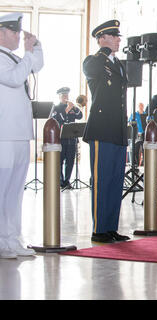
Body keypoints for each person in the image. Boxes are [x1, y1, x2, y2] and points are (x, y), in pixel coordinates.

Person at [0, 12, 43, 258]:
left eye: (19, 31)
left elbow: (36, 65)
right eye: (14, 32)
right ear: (1, 33)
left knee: (15, 191)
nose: (18, 35)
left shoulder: (14, 58)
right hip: (4, 134)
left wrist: (35, 46)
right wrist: (27, 53)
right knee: (3, 189)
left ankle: (12, 240)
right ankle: (2, 241)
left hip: (19, 133)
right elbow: (16, 79)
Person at [82, 20, 130, 243]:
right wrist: (103, 51)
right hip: (102, 128)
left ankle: (111, 227)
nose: (119, 39)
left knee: (115, 180)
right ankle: (99, 229)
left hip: (118, 129)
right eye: (114, 36)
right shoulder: (94, 61)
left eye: (118, 36)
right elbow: (90, 71)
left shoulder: (118, 64)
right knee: (101, 180)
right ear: (102, 38)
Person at [50, 87, 83, 189]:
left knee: (70, 161)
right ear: (59, 97)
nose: (66, 97)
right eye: (63, 95)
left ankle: (67, 181)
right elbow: (57, 119)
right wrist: (67, 110)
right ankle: (60, 181)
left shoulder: (72, 107)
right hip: (60, 139)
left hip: (72, 138)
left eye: (67, 95)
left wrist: (75, 108)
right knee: (59, 161)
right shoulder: (56, 108)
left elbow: (80, 116)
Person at [128, 102, 147, 166]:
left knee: (145, 150)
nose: (141, 107)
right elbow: (130, 122)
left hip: (144, 134)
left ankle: (145, 165)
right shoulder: (134, 114)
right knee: (136, 150)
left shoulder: (146, 114)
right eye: (140, 106)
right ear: (138, 107)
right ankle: (135, 165)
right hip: (136, 134)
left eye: (142, 106)